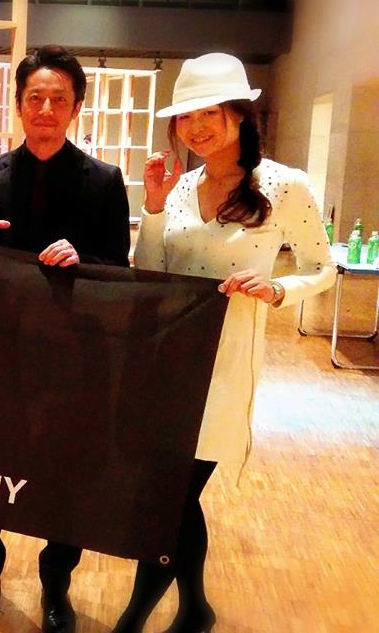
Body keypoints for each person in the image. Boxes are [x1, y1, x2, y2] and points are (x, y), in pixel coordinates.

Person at [113, 52, 336, 633]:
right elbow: (152, 271)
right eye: (186, 116)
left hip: (227, 363)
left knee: (169, 496)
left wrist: (278, 288)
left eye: (208, 113)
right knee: (172, 495)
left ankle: (134, 619)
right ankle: (196, 609)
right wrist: (154, 205)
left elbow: (323, 267)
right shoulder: (182, 187)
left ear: (239, 114)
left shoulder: (285, 185)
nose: (195, 127)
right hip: (170, 359)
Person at [0, 45, 131, 632]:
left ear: (76, 107)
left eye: (59, 99)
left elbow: (118, 268)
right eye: (36, 97)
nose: (46, 109)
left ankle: (57, 589)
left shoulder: (104, 181)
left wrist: (85, 259)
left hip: (71, 357)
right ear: (19, 105)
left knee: (65, 478)